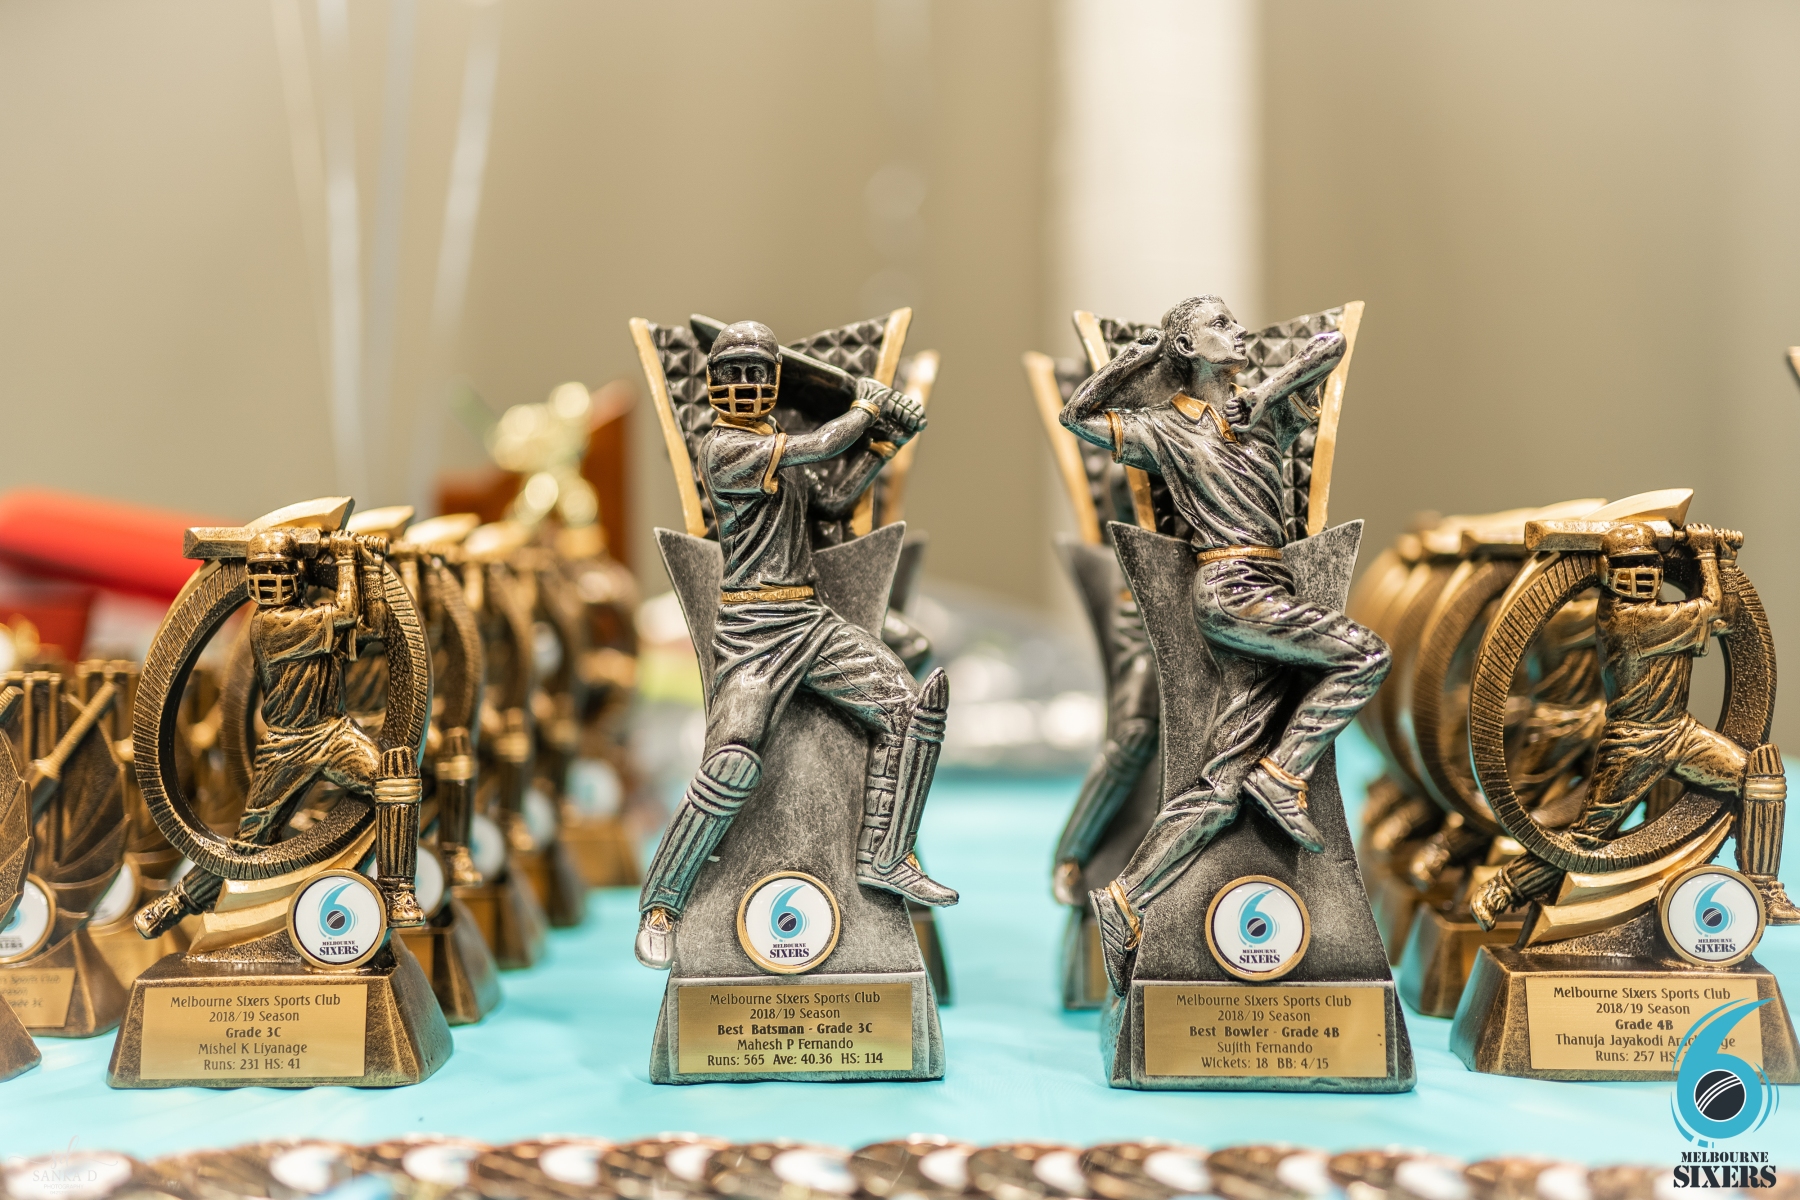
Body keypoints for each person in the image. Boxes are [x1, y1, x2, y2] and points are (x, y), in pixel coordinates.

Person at [1060, 295, 1390, 988]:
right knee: (1365, 655)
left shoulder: (1262, 413)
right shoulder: (1165, 430)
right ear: (1186, 348)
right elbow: (1077, 417)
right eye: (1220, 325)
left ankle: (1125, 897)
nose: (1238, 332)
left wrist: (1268, 392)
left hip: (1270, 590)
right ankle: (1283, 774)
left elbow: (1330, 344)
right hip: (1233, 589)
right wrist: (1138, 358)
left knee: (1220, 781)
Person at [634, 321, 958, 970]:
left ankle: (886, 854)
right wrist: (867, 408)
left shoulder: (778, 448)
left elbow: (832, 499)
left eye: (757, 373)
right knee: (730, 763)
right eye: (732, 374)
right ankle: (661, 906)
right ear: (712, 384)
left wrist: (885, 443)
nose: (745, 385)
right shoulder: (725, 448)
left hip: (810, 620)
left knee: (909, 710)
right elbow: (819, 446)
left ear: (774, 381)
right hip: (753, 634)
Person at [1471, 522, 1799, 925]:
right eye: (1629, 564)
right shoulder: (1631, 620)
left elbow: (1727, 619)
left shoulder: (1659, 613)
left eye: (1648, 562)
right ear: (1606, 569)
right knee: (1587, 840)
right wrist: (1706, 553)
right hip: (1634, 742)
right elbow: (1713, 608)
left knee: (1761, 774)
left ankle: (1763, 889)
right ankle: (1504, 888)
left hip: (1679, 731)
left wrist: (1723, 563)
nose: (1641, 573)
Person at [138, 529, 425, 935]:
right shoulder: (272, 625)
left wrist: (372, 569)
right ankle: (177, 901)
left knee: (395, 777)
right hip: (285, 745)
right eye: (263, 571)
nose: (271, 580)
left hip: (333, 735)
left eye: (279, 570)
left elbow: (374, 627)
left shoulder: (315, 619)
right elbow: (345, 611)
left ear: (298, 573)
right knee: (248, 848)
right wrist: (347, 557)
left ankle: (397, 891)